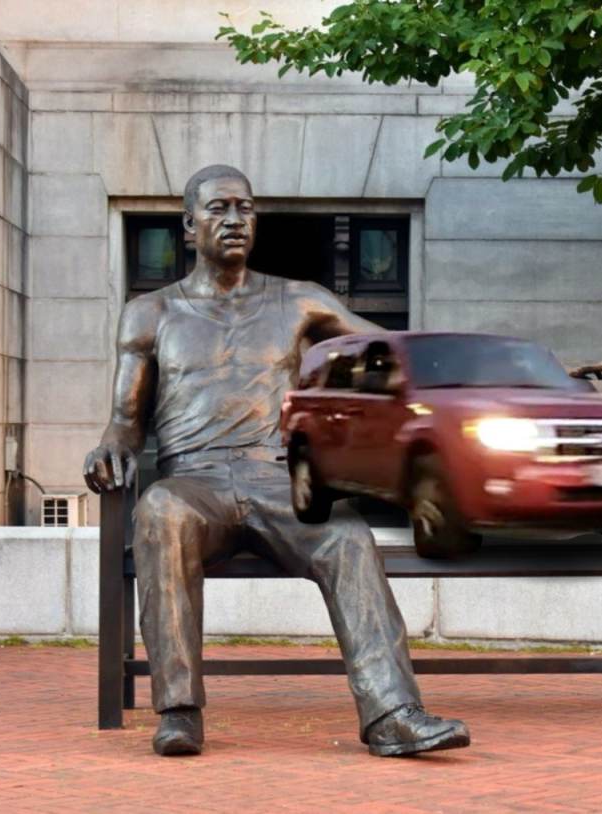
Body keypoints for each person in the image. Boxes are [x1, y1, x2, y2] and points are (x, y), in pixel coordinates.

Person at [83, 164, 470, 758]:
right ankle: (180, 712)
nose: (234, 219)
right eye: (218, 208)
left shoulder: (299, 301)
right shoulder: (151, 313)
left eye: (244, 207)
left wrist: (523, 372)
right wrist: (110, 445)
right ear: (188, 225)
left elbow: (398, 355)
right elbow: (125, 420)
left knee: (346, 535)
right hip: (196, 484)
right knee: (160, 510)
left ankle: (393, 714)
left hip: (278, 481)